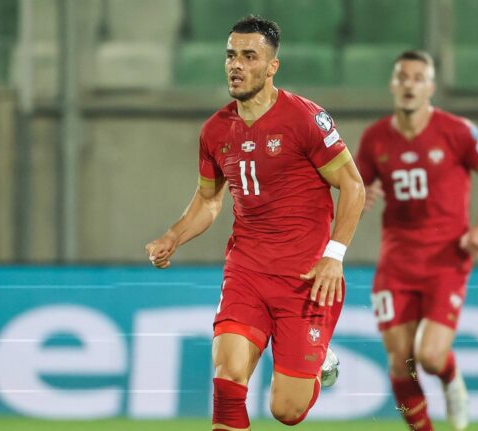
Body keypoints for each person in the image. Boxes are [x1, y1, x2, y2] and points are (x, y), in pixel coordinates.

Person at [145, 15, 365, 430]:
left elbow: (353, 186)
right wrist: (174, 235)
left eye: (249, 56)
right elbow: (210, 201)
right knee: (228, 376)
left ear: (271, 66)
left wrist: (334, 256)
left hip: (306, 277)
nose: (237, 65)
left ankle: (320, 364)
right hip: (246, 270)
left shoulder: (305, 119)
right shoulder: (215, 131)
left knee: (287, 411)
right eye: (231, 55)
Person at [354, 50, 478, 431]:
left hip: (446, 259)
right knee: (400, 363)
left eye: (418, 77)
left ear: (431, 87)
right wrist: (360, 197)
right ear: (392, 85)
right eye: (402, 77)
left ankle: (452, 381)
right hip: (397, 262)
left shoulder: (456, 131)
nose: (409, 84)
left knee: (432, 357)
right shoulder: (375, 139)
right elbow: (352, 188)